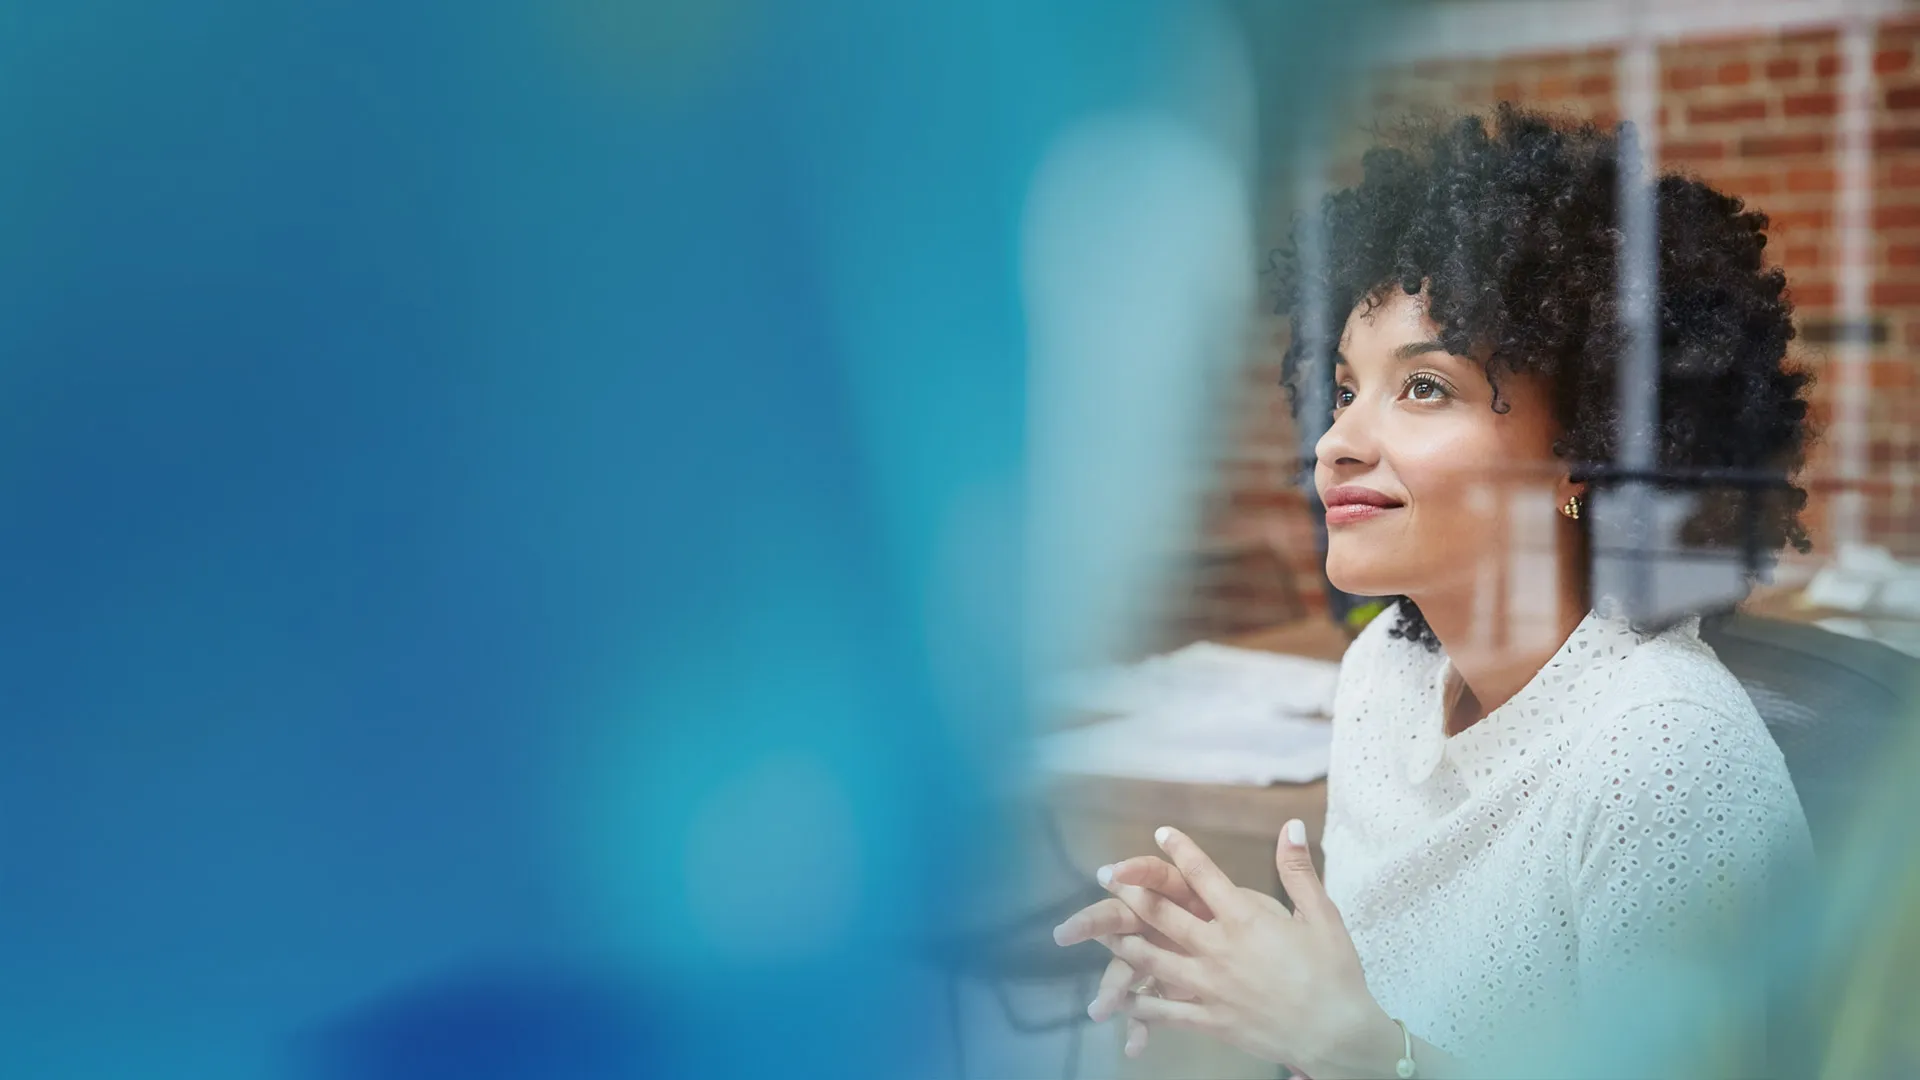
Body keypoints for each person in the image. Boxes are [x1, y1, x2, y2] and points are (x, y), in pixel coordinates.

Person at [1051, 104, 1816, 1077]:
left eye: (1424, 387)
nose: (1337, 444)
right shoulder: (1383, 677)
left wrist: (1361, 1049)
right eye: (1342, 389)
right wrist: (1250, 976)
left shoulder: (1663, 757)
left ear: (1586, 448)